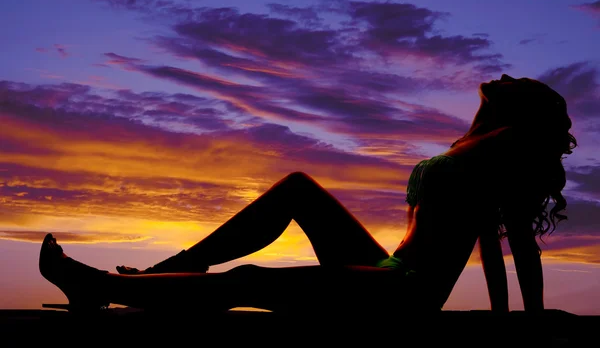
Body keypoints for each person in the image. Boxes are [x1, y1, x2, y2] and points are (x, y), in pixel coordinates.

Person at [39, 74, 577, 314]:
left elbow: (513, 245)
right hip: (389, 272)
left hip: (404, 296)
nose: (504, 74)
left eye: (518, 81)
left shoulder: (505, 145)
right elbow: (484, 236)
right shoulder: (470, 146)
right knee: (298, 187)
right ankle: (174, 268)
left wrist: (524, 323)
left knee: (249, 282)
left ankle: (97, 286)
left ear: (522, 109)